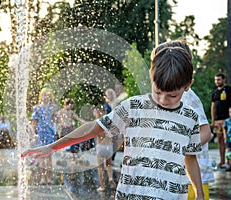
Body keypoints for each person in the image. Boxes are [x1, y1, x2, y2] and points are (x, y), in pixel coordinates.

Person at [22, 46, 204, 199]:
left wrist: (200, 194)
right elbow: (93, 127)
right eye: (158, 92)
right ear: (151, 77)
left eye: (172, 95)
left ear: (188, 85)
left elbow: (190, 157)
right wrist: (52, 147)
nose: (164, 99)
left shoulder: (190, 117)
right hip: (131, 194)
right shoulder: (134, 107)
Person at [153, 39, 214, 200]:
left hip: (193, 179)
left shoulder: (188, 97)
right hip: (178, 178)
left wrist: (178, 148)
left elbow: (206, 132)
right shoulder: (169, 96)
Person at [30, 88, 57, 185]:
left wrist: (55, 115)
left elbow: (55, 120)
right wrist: (34, 134)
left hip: (50, 133)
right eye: (44, 95)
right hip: (41, 133)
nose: (46, 97)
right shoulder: (37, 108)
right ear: (41, 96)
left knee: (49, 156)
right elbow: (34, 122)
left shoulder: (53, 107)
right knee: (41, 156)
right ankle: (42, 178)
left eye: (48, 95)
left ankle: (49, 178)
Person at [93, 105, 116, 192]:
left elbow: (94, 134)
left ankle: (102, 186)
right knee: (109, 165)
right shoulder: (109, 122)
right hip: (109, 147)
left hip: (100, 146)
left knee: (100, 167)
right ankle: (110, 178)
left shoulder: (96, 122)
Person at [211, 72, 231, 168]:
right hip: (218, 122)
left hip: (227, 120)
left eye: (219, 79)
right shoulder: (215, 92)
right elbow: (213, 107)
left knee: (228, 141)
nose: (217, 82)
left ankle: (229, 161)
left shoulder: (229, 90)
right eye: (215, 80)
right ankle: (222, 161)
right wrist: (213, 121)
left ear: (223, 80)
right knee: (220, 141)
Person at [223, 107, 231, 171]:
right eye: (230, 112)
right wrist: (225, 136)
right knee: (228, 151)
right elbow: (224, 128)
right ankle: (228, 163)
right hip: (229, 138)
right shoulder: (227, 120)